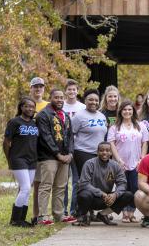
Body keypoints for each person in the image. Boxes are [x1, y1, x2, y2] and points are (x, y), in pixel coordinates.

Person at [35, 89, 74, 225]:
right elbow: (46, 137)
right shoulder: (43, 115)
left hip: (65, 157)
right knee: (46, 186)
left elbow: (70, 137)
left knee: (61, 186)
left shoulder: (65, 115)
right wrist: (58, 154)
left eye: (61, 97)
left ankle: (59, 215)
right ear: (50, 98)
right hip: (48, 157)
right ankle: (42, 216)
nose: (59, 100)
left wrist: (70, 153)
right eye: (56, 97)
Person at [72, 142, 133, 226]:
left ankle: (103, 215)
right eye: (101, 150)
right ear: (97, 152)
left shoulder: (115, 166)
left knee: (128, 195)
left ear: (111, 152)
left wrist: (115, 194)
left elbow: (122, 183)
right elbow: (84, 184)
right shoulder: (89, 164)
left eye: (107, 150)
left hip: (107, 199)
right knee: (84, 194)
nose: (104, 152)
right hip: (91, 197)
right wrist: (101, 193)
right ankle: (84, 216)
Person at [108, 100, 149, 223]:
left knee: (135, 188)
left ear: (133, 111)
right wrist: (118, 161)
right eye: (125, 109)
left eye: (130, 109)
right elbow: (111, 144)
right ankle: (124, 213)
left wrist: (142, 159)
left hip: (136, 163)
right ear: (120, 111)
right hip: (120, 163)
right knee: (122, 188)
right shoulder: (114, 127)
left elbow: (145, 143)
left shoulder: (140, 125)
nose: (127, 112)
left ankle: (132, 212)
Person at [3, 97, 39, 227]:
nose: (30, 109)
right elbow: (6, 142)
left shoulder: (35, 123)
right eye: (27, 106)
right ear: (21, 107)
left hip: (32, 160)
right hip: (18, 159)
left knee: (27, 190)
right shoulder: (14, 122)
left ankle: (22, 219)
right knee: (25, 188)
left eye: (32, 107)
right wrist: (9, 160)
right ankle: (15, 219)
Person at [62, 79, 86, 219]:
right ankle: (63, 210)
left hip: (78, 148)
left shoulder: (82, 107)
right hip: (64, 148)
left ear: (77, 91)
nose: (71, 92)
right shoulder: (61, 106)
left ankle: (74, 210)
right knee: (63, 180)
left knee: (77, 181)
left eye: (74, 89)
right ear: (66, 91)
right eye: (69, 89)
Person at [72, 89, 108, 175]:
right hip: (83, 153)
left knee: (98, 180)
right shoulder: (79, 116)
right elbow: (70, 134)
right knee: (87, 181)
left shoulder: (102, 116)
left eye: (96, 100)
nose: (94, 102)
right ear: (85, 101)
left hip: (100, 154)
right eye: (90, 99)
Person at [29, 76, 49, 224]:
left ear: (43, 89)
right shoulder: (27, 105)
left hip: (46, 150)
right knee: (32, 185)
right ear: (31, 89)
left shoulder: (49, 106)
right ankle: (33, 215)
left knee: (45, 184)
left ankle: (44, 213)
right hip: (30, 150)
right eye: (35, 87)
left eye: (40, 87)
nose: (38, 89)